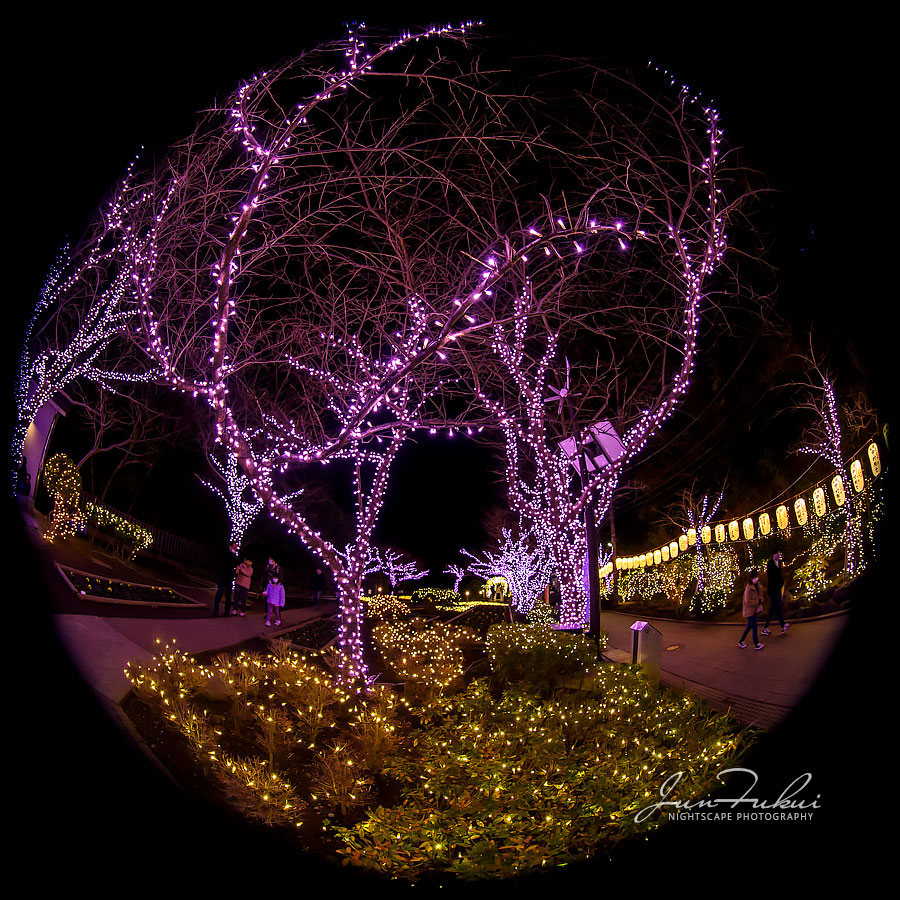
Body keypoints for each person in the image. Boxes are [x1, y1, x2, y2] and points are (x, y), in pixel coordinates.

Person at [762, 551, 790, 635]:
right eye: (777, 553)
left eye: (779, 553)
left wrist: (782, 582)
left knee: (774, 608)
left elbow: (780, 573)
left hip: (778, 588)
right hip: (772, 589)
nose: (778, 555)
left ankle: (767, 627)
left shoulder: (779, 562)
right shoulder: (770, 563)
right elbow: (772, 575)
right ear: (773, 554)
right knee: (776, 607)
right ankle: (782, 625)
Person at [738, 570, 765, 650]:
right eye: (754, 577)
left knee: (749, 626)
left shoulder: (757, 586)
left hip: (754, 610)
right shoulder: (748, 588)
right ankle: (756, 644)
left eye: (756, 577)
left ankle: (741, 641)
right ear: (750, 578)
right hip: (749, 611)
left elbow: (759, 595)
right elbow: (747, 602)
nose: (756, 579)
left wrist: (761, 599)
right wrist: (757, 602)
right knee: (754, 627)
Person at [214, 541, 239, 617]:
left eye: (235, 547)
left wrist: (237, 568)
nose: (235, 549)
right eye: (234, 547)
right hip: (222, 576)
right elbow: (221, 564)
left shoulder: (234, 556)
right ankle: (216, 609)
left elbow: (235, 563)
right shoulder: (224, 554)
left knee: (228, 594)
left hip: (229, 578)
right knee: (220, 592)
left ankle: (227, 611)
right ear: (230, 546)